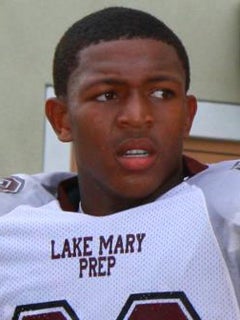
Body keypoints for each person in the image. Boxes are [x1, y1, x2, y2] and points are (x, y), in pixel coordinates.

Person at [0, 6, 240, 319]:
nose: (137, 117)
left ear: (188, 115)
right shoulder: (14, 224)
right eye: (107, 95)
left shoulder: (226, 212)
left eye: (161, 92)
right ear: (62, 120)